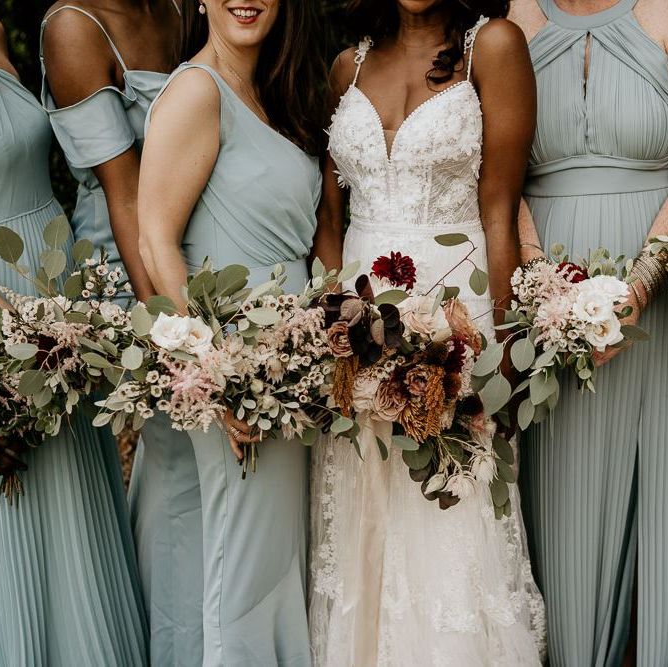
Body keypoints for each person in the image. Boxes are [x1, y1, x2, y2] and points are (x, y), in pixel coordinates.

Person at [309, 1, 546, 664]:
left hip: (455, 325)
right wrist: (329, 336)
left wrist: (496, 354)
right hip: (354, 335)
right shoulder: (345, 65)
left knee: (450, 514)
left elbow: (497, 211)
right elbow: (330, 224)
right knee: (367, 510)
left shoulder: (490, 48)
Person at [0, 7, 147, 665]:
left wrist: (62, 326)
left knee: (85, 523)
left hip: (58, 302)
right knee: (19, 532)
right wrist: (18, 331)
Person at [132, 0, 326, 664]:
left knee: (262, 567)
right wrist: (213, 376)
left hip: (285, 372)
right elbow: (154, 239)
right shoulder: (196, 89)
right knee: (241, 572)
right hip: (238, 378)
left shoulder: (267, 91)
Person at [510, 0, 668, 664]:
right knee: (565, 525)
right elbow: (493, 175)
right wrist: (545, 288)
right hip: (549, 316)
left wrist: (640, 280)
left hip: (658, 300)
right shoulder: (513, 22)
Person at [41, 0, 183, 303]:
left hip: (194, 247)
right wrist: (165, 327)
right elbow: (127, 196)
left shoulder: (179, 7)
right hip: (129, 266)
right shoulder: (73, 27)